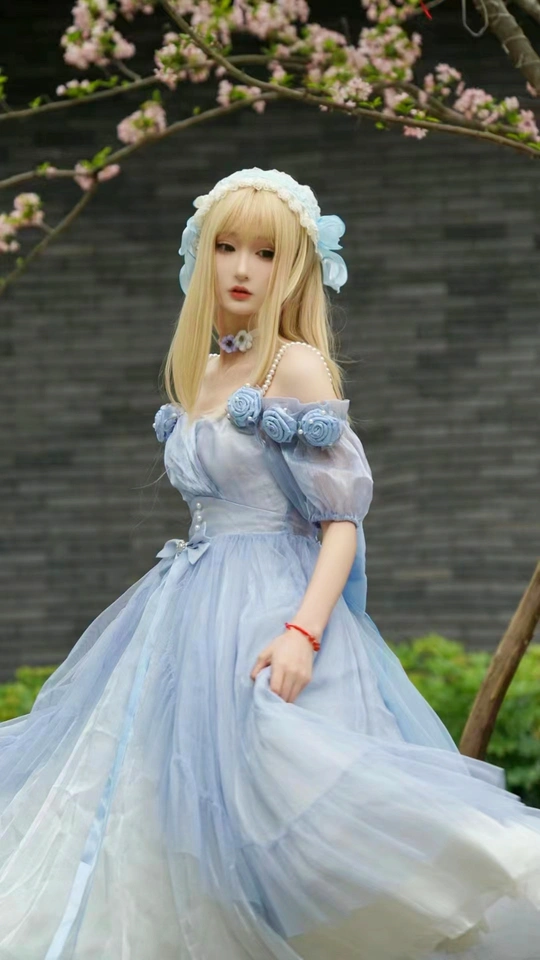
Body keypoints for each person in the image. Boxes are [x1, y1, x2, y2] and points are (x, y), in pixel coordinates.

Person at [0, 167, 539, 960]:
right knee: (157, 815)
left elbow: (341, 523)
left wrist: (302, 633)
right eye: (226, 247)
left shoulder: (295, 366)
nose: (243, 268)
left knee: (300, 814)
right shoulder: (203, 370)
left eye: (265, 252)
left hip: (274, 608)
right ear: (202, 256)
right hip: (184, 616)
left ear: (293, 267)